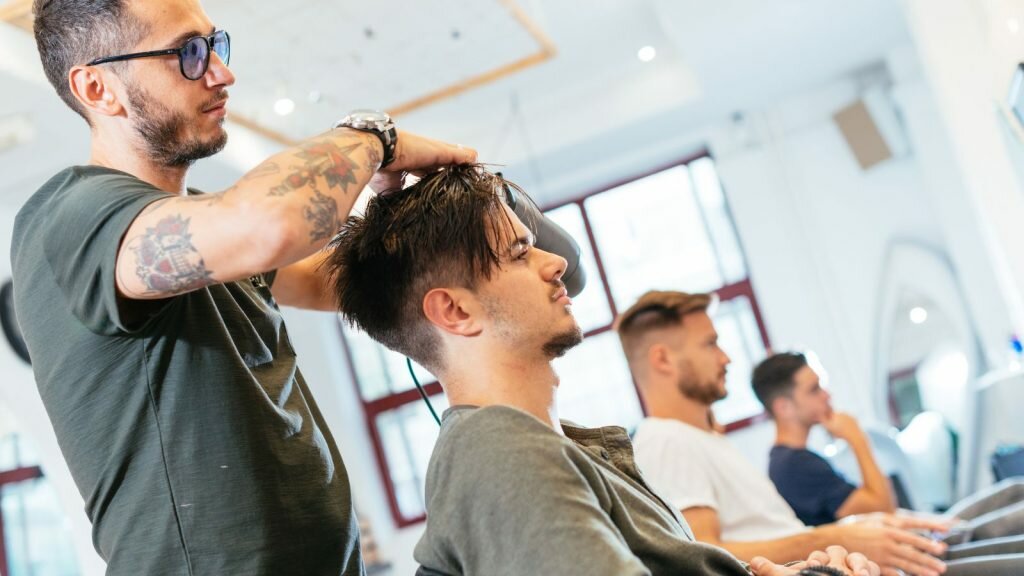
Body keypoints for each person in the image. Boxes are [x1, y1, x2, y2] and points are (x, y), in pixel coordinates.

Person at [14, 0, 476, 574]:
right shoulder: (74, 217)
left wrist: (455, 224)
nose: (220, 72)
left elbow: (344, 283)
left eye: (216, 45)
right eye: (187, 53)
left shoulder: (208, 229)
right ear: (98, 88)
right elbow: (271, 224)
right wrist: (372, 137)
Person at [326, 165, 879, 576]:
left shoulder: (549, 448)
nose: (556, 261)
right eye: (519, 253)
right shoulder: (502, 454)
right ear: (455, 311)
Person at [617, 290, 1024, 576]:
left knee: (1003, 507)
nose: (725, 358)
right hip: (844, 559)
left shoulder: (700, 438)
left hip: (851, 556)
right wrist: (843, 536)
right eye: (710, 344)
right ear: (663, 360)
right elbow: (705, 554)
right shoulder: (665, 440)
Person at [753, 352, 1024, 542]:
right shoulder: (794, 466)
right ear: (783, 407)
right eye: (814, 390)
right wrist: (857, 439)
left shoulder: (794, 460)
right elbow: (882, 507)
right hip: (912, 550)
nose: (827, 395)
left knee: (1013, 491)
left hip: (913, 533)